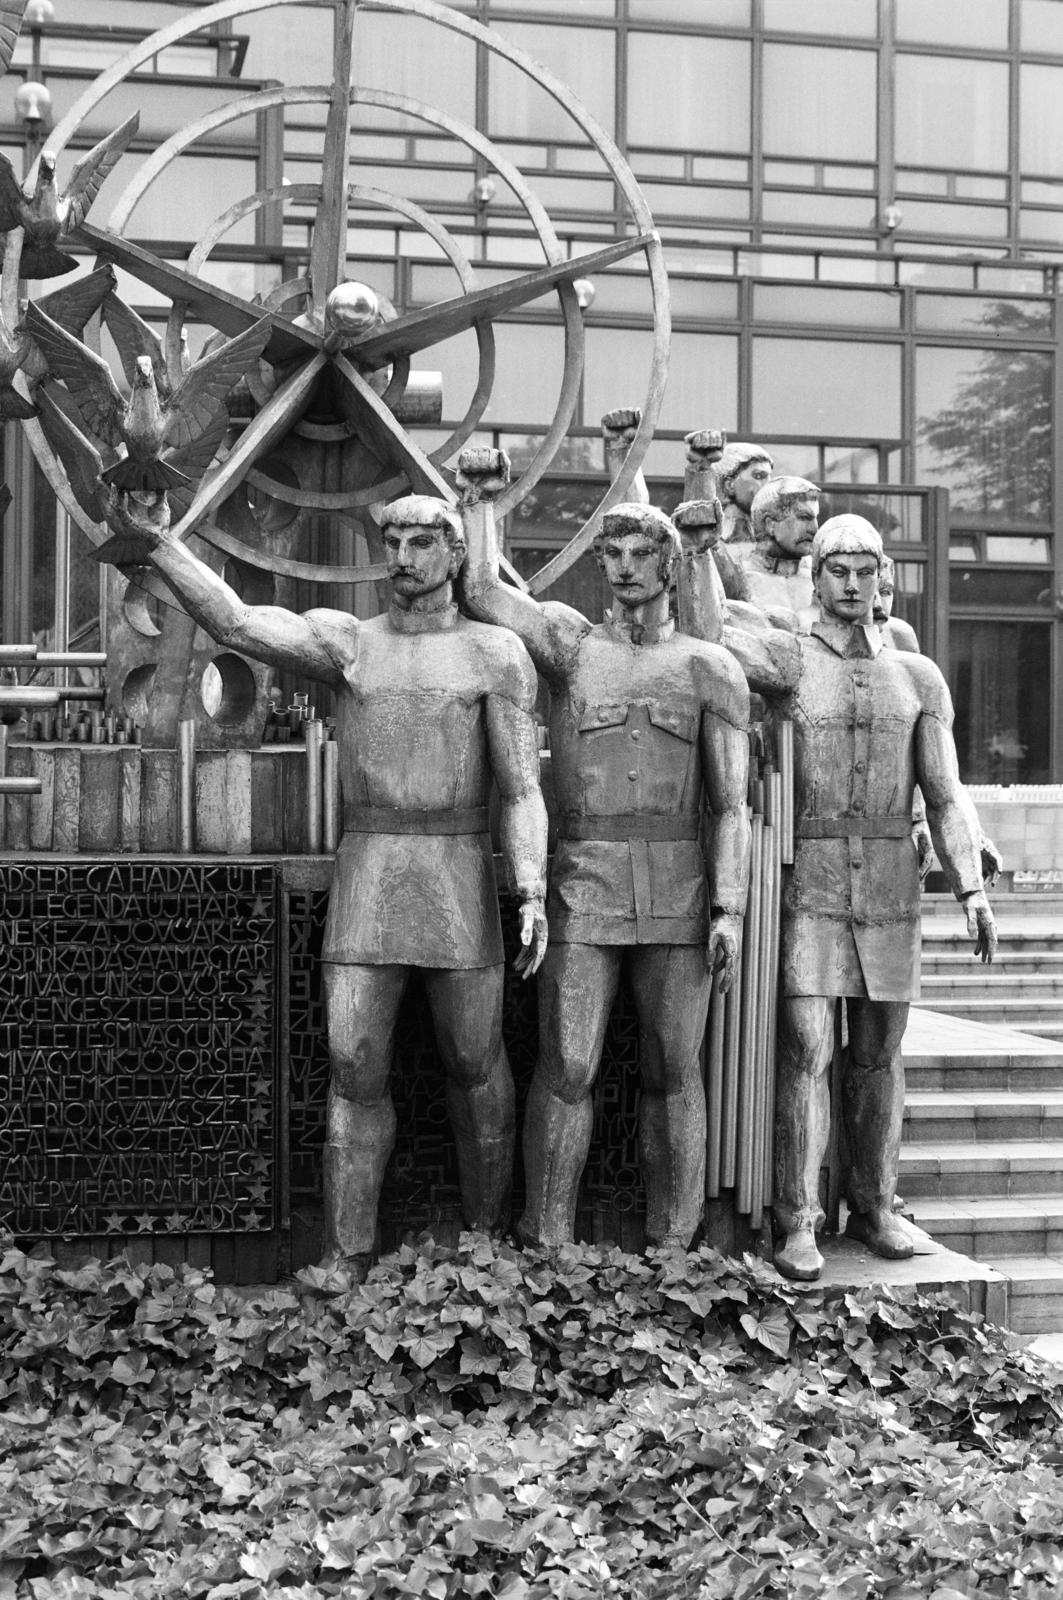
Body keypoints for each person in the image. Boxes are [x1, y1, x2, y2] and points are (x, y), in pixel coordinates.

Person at [99, 486, 549, 1278]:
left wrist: (534, 888)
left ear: (454, 554)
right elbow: (237, 622)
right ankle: (345, 1253)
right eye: (394, 541)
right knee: (353, 1065)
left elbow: (520, 789)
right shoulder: (349, 643)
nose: (401, 557)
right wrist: (159, 545)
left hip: (457, 881)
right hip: (368, 873)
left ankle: (487, 1241)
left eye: (420, 542)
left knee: (476, 1062)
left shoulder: (495, 654)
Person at [687, 513, 996, 1281]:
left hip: (890, 883)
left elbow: (946, 792)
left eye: (865, 570)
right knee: (805, 1050)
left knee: (879, 1057)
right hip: (812, 881)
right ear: (815, 578)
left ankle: (877, 1206)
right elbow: (703, 634)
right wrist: (696, 550)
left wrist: (971, 888)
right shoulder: (789, 658)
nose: (852, 584)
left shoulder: (917, 677)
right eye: (837, 570)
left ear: (882, 577)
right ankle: (797, 1221)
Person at [459, 447, 751, 1250]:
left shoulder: (708, 667)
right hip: (582, 887)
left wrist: (730, 907)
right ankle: (545, 1236)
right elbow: (485, 591)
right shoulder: (568, 647)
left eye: (640, 554)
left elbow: (732, 806)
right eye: (610, 554)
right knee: (568, 1067)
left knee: (673, 1073)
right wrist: (481, 501)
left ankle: (673, 1246)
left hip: (679, 894)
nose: (623, 569)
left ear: (669, 564)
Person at [742, 476, 820, 632]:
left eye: (816, 518)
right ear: (770, 524)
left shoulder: (823, 578)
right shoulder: (740, 579)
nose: (814, 528)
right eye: (804, 518)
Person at [716, 440, 774, 551]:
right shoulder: (713, 536)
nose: (768, 485)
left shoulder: (774, 533)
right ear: (730, 485)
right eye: (758, 476)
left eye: (769, 478)